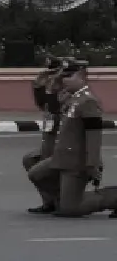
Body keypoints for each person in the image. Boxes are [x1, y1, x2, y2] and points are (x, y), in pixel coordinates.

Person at [26, 62, 117, 218]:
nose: (65, 80)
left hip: (78, 161)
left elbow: (94, 136)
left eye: (69, 76)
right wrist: (45, 84)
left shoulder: (88, 101)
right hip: (63, 157)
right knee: (36, 173)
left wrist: (92, 164)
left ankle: (113, 198)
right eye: (63, 76)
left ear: (82, 76)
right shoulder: (71, 98)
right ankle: (59, 201)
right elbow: (49, 105)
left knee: (71, 210)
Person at [24, 58, 66, 213]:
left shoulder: (67, 92)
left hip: (65, 148)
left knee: (40, 171)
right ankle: (50, 201)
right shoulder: (51, 92)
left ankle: (62, 200)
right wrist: (38, 84)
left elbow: (54, 106)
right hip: (50, 145)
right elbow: (41, 103)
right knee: (30, 160)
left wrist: (53, 84)